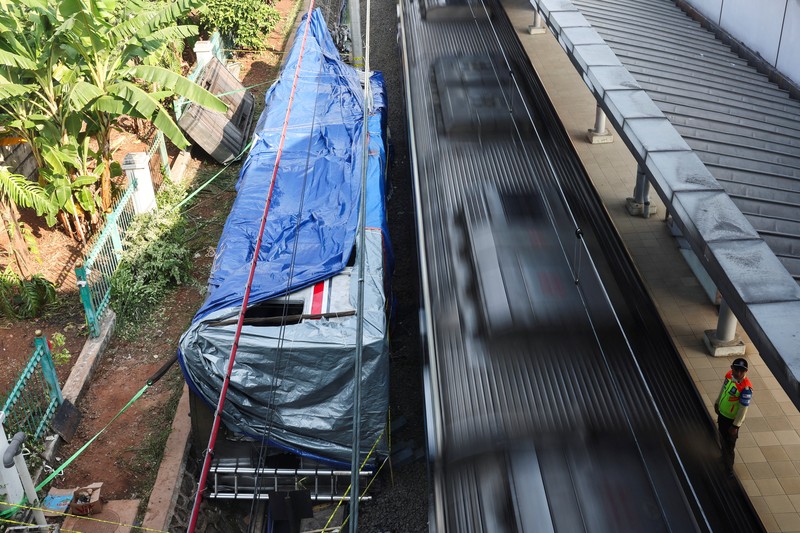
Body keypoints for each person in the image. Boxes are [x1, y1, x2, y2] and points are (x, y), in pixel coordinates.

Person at [714, 357, 753, 477]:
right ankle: (723, 457)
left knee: (729, 445)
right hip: (722, 415)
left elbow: (743, 409)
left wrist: (735, 426)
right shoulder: (729, 375)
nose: (739, 373)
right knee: (722, 438)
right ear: (732, 368)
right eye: (737, 370)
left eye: (742, 371)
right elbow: (723, 389)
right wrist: (717, 402)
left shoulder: (746, 389)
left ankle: (729, 470)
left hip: (732, 421)